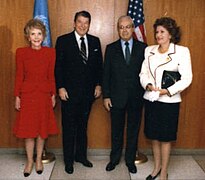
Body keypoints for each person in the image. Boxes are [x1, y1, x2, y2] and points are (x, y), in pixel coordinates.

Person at [139, 17, 192, 180]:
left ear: (171, 34)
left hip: (169, 102)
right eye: (156, 32)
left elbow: (187, 78)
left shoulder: (181, 51)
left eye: (162, 32)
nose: (158, 35)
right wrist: (148, 85)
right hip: (152, 100)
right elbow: (143, 73)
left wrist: (166, 91)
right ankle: (156, 168)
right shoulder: (149, 50)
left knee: (165, 138)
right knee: (154, 136)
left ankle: (164, 173)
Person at [55, 10, 103, 174]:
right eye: (80, 22)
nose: (83, 25)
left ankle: (81, 156)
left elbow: (99, 67)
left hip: (88, 94)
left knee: (82, 127)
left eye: (86, 23)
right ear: (74, 23)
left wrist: (98, 85)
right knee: (69, 128)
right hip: (68, 94)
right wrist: (60, 87)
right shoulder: (63, 41)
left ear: (89, 25)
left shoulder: (95, 41)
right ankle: (69, 161)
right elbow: (58, 67)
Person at [13, 19, 59, 177]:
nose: (36, 37)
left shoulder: (50, 52)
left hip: (44, 96)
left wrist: (53, 94)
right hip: (27, 96)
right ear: (28, 36)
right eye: (33, 34)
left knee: (41, 131)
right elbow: (19, 76)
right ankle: (29, 161)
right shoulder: (21, 52)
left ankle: (39, 159)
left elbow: (51, 75)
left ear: (44, 35)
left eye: (39, 33)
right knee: (29, 131)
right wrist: (17, 96)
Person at [102, 15, 147, 174]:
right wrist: (106, 96)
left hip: (136, 97)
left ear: (133, 28)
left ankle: (130, 160)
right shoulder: (111, 48)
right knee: (116, 130)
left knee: (133, 130)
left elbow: (147, 73)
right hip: (116, 97)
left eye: (128, 27)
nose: (125, 30)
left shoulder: (143, 48)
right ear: (118, 29)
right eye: (121, 27)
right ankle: (114, 159)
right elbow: (105, 74)